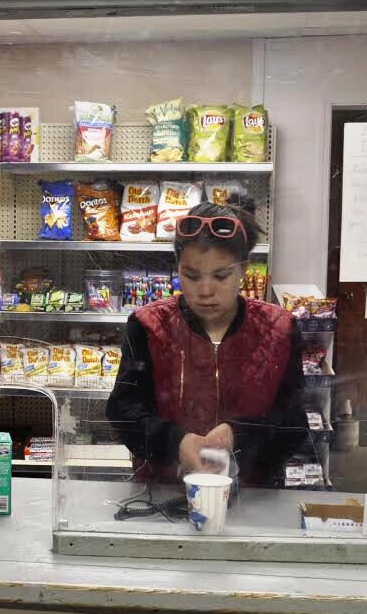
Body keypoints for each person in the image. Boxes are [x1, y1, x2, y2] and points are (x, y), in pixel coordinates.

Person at [106, 200, 311, 487]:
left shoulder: (279, 328)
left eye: (221, 275)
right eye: (191, 276)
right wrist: (177, 442)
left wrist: (237, 436)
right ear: (177, 268)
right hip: (164, 494)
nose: (205, 291)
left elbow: (294, 422)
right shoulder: (148, 325)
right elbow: (123, 410)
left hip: (254, 496)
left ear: (244, 269)